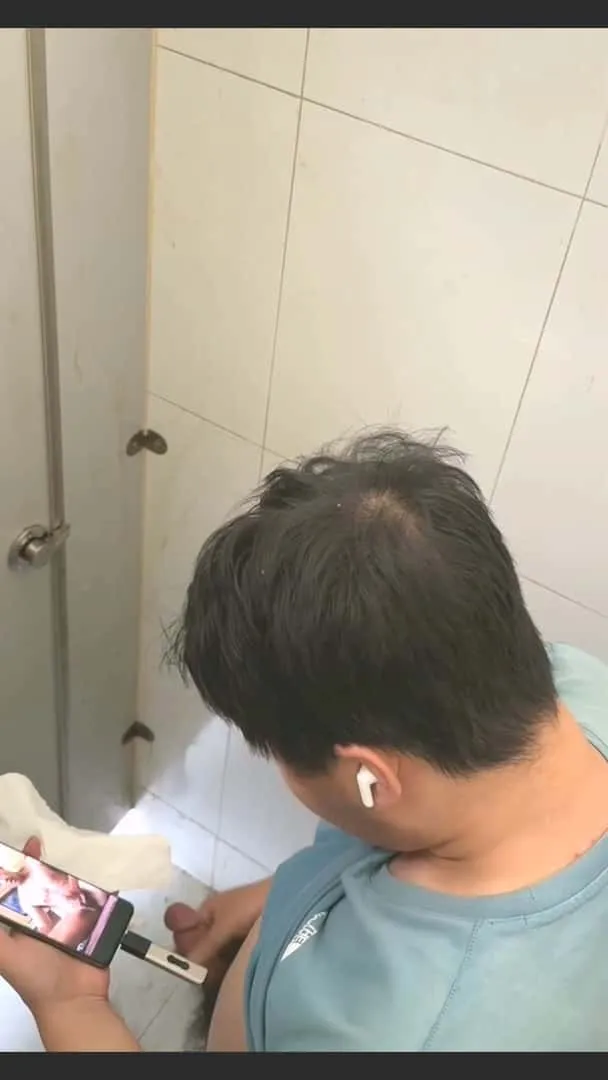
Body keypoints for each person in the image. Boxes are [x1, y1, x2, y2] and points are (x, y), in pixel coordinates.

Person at [2, 429, 608, 1051]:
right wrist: (279, 902)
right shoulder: (565, 686)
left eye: (278, 757)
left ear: (371, 780)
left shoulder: (397, 1036)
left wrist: (69, 1004)